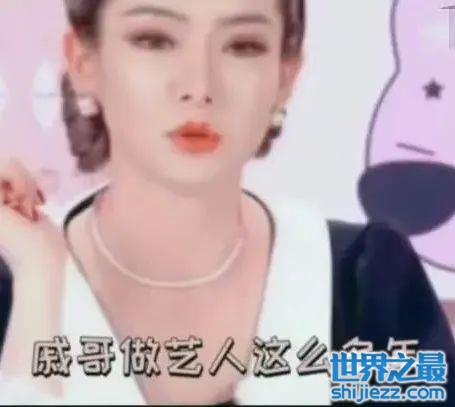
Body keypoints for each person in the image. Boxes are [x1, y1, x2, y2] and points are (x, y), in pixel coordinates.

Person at [0, 0, 454, 404]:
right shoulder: (16, 283)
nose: (199, 86)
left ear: (286, 75)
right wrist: (38, 282)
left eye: (243, 46)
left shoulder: (362, 286)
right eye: (154, 40)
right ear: (84, 60)